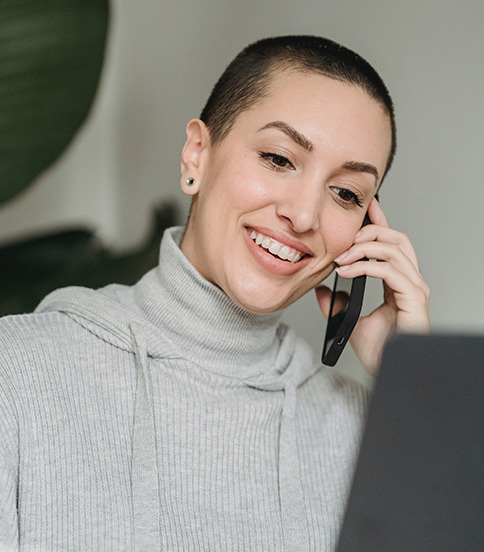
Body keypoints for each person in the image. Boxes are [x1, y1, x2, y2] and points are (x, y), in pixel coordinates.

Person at [0, 35, 429, 551]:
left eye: (346, 193)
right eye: (278, 158)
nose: (305, 215)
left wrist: (417, 385)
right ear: (197, 156)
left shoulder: (371, 431)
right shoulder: (18, 373)